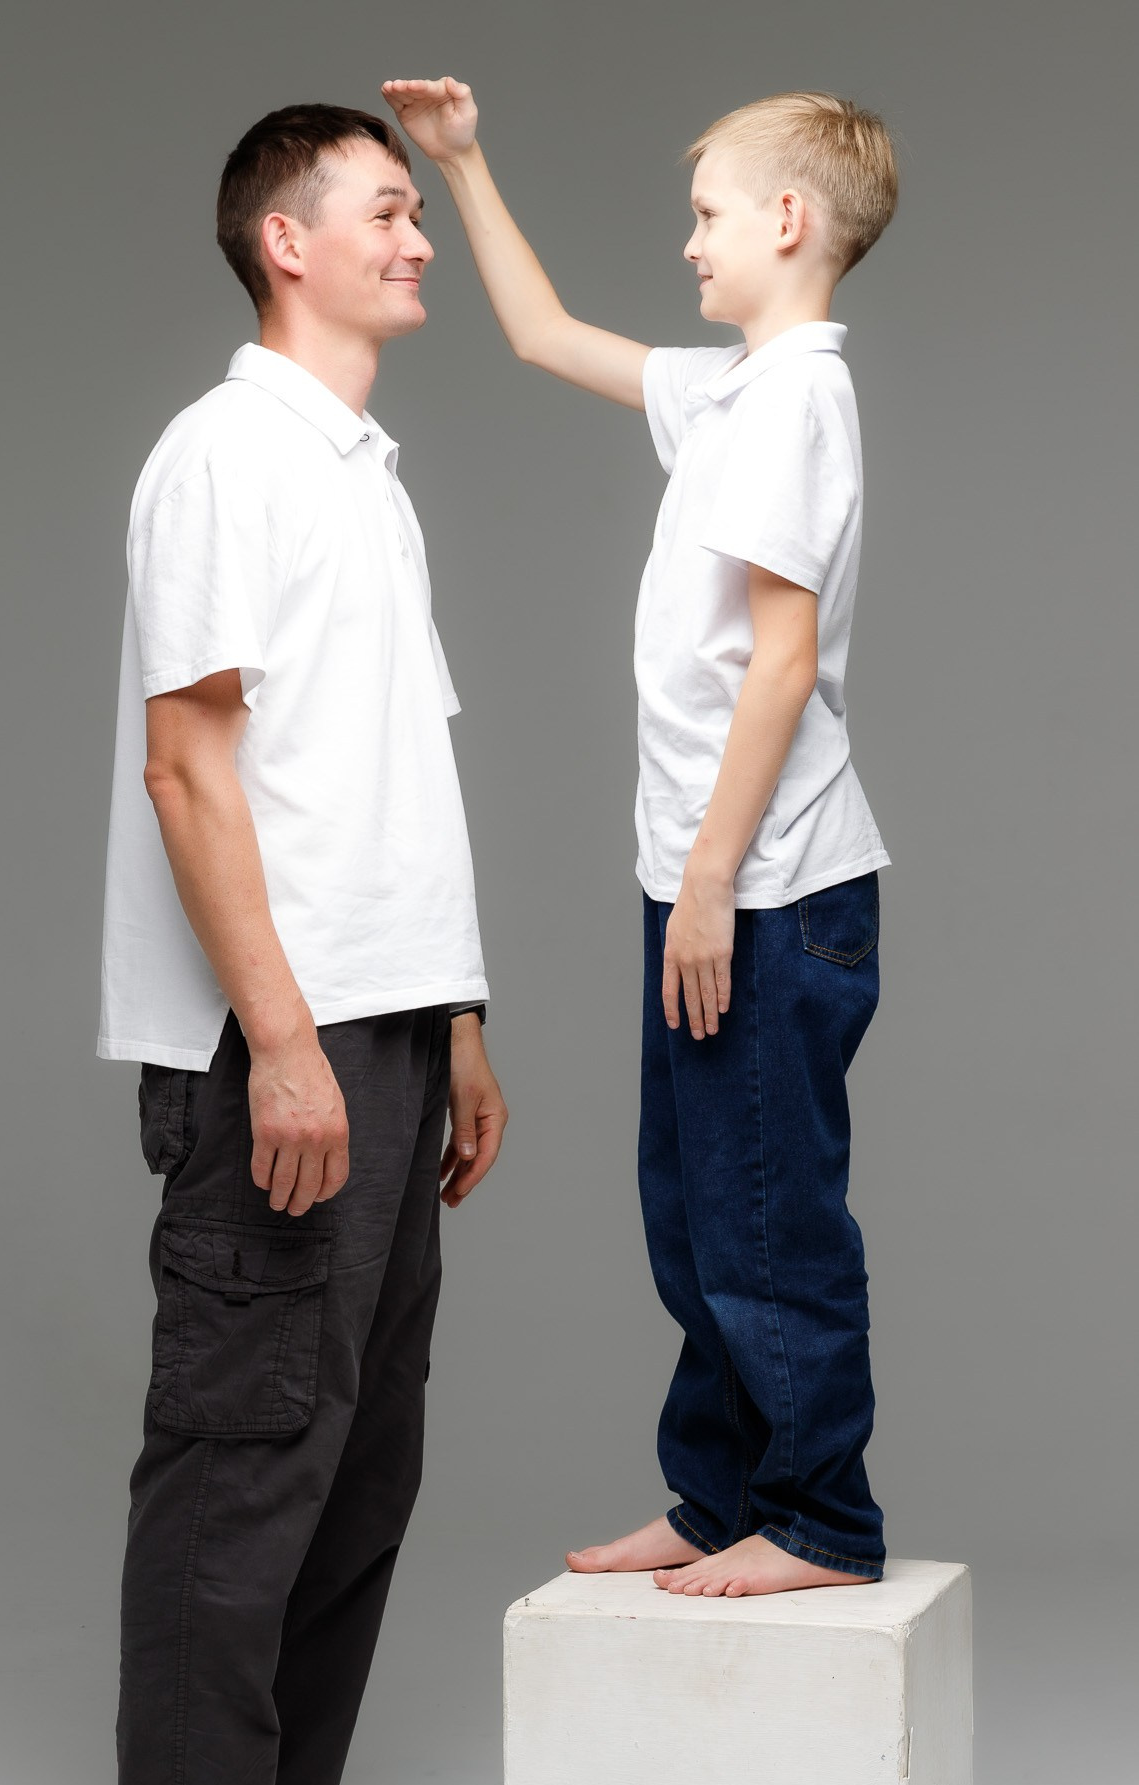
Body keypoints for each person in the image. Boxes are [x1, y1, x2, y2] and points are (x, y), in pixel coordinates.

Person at [384, 77, 896, 1599]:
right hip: (705, 877)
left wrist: (712, 881)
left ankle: (820, 1519)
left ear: (787, 220)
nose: (688, 243)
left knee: (766, 1216)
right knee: (695, 1210)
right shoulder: (731, 391)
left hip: (765, 885)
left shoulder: (795, 401)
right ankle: (720, 1491)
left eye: (707, 215)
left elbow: (781, 662)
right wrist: (463, 163)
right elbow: (545, 335)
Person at [97, 102, 508, 1785]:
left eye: (417, 211)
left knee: (357, 1460)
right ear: (287, 242)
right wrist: (277, 1042)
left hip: (389, 1027)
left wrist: (458, 1018)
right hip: (279, 1039)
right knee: (245, 1449)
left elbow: (386, 774)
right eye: (389, 210)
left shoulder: (365, 476)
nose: (416, 241)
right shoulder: (224, 458)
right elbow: (190, 767)